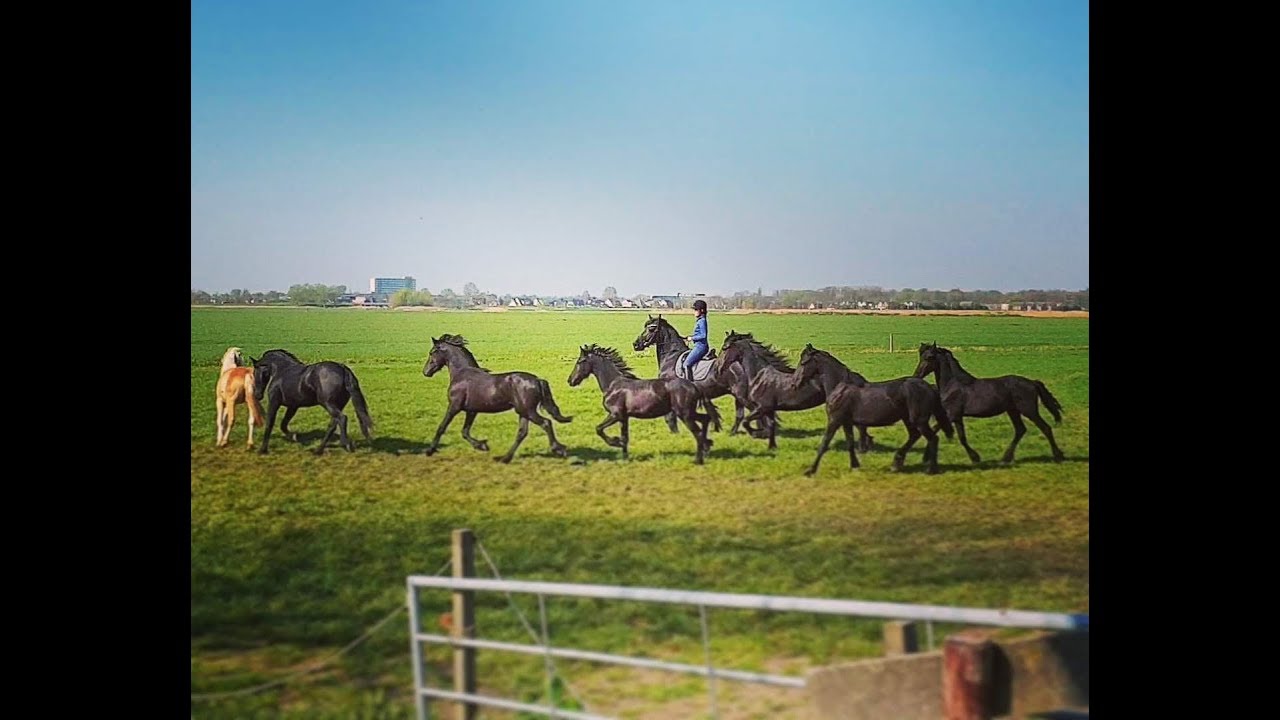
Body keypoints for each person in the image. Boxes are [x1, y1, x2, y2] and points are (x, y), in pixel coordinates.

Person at [683, 299, 709, 380]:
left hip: (700, 347)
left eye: (696, 309)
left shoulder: (702, 321)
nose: (694, 311)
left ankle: (689, 385)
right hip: (698, 346)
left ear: (702, 310)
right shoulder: (700, 320)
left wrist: (692, 338)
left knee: (686, 364)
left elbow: (703, 335)